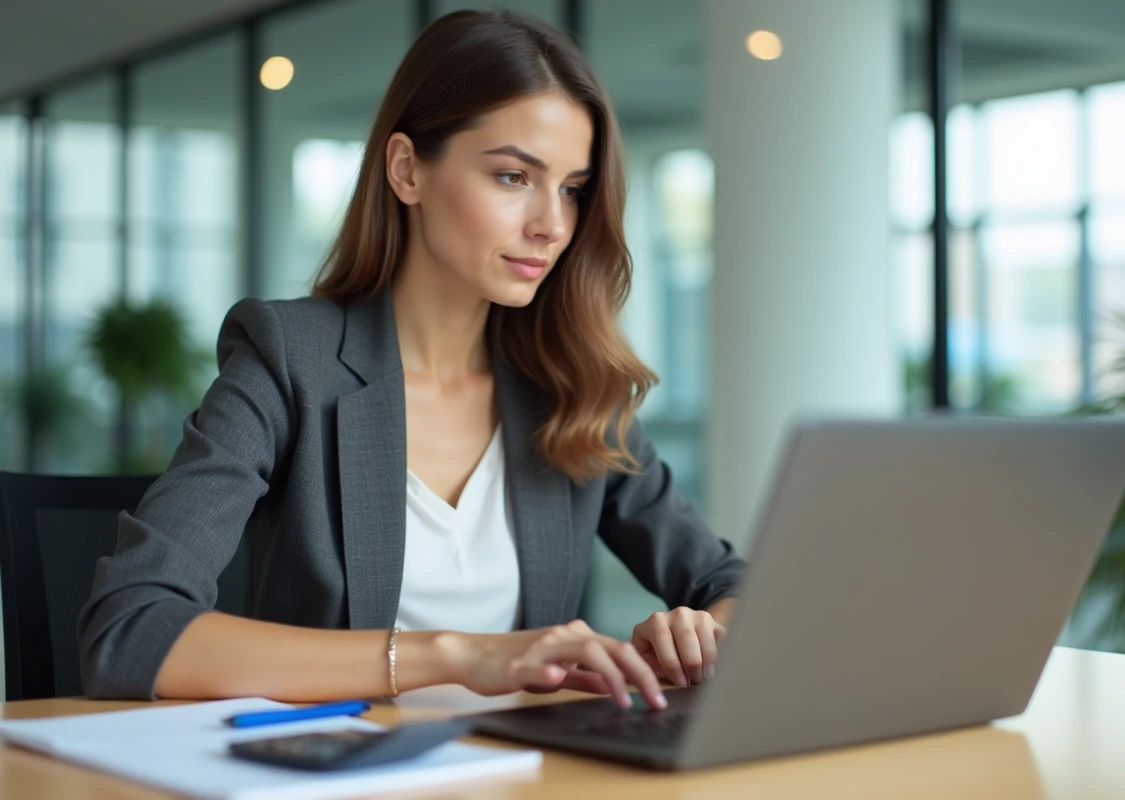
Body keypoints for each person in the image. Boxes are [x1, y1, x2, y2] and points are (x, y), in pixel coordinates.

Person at [78, 10, 744, 710]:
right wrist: (454, 655)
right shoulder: (290, 361)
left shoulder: (569, 385)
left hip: (535, 777)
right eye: (514, 176)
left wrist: (698, 635)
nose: (552, 223)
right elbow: (129, 630)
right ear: (406, 171)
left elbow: (736, 589)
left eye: (573, 189)